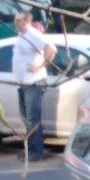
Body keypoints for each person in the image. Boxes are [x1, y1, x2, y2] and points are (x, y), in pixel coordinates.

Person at [12, 11, 56, 161]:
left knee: (33, 118)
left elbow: (51, 49)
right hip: (23, 82)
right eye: (15, 20)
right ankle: (29, 148)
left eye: (18, 20)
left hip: (34, 82)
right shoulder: (21, 35)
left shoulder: (33, 34)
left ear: (27, 21)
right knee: (26, 118)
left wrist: (40, 65)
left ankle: (36, 151)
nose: (15, 23)